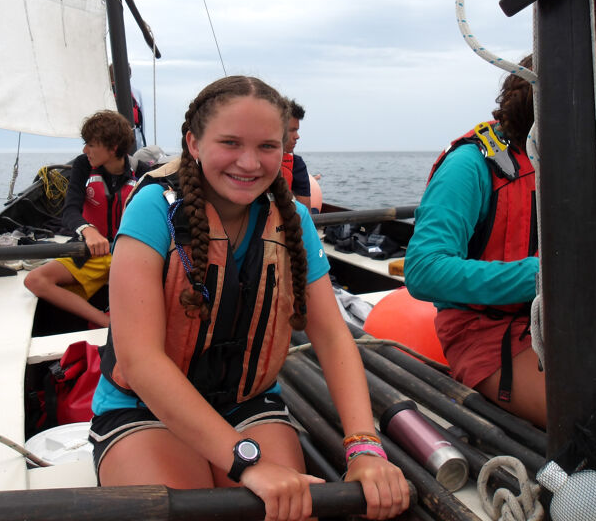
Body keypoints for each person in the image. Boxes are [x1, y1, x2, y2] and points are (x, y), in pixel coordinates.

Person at [89, 76, 409, 520]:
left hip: (246, 403)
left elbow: (333, 338)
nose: (249, 162)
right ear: (193, 143)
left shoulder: (292, 220)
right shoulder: (153, 210)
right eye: (230, 142)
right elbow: (140, 361)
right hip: (145, 410)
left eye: (267, 147)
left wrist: (365, 447)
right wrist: (247, 462)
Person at [405, 55, 596, 483]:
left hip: (581, 320)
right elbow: (424, 269)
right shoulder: (471, 165)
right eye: (595, 109)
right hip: (488, 333)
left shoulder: (593, 164)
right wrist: (548, 279)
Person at [24, 110, 137, 328]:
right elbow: (70, 211)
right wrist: (89, 231)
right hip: (91, 252)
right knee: (35, 280)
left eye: (91, 145)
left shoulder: (141, 172)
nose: (85, 150)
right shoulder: (83, 165)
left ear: (113, 148)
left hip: (127, 254)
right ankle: (106, 322)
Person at [280, 99, 312, 211]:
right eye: (292, 130)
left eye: (297, 130)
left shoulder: (297, 165)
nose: (297, 136)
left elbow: (305, 214)